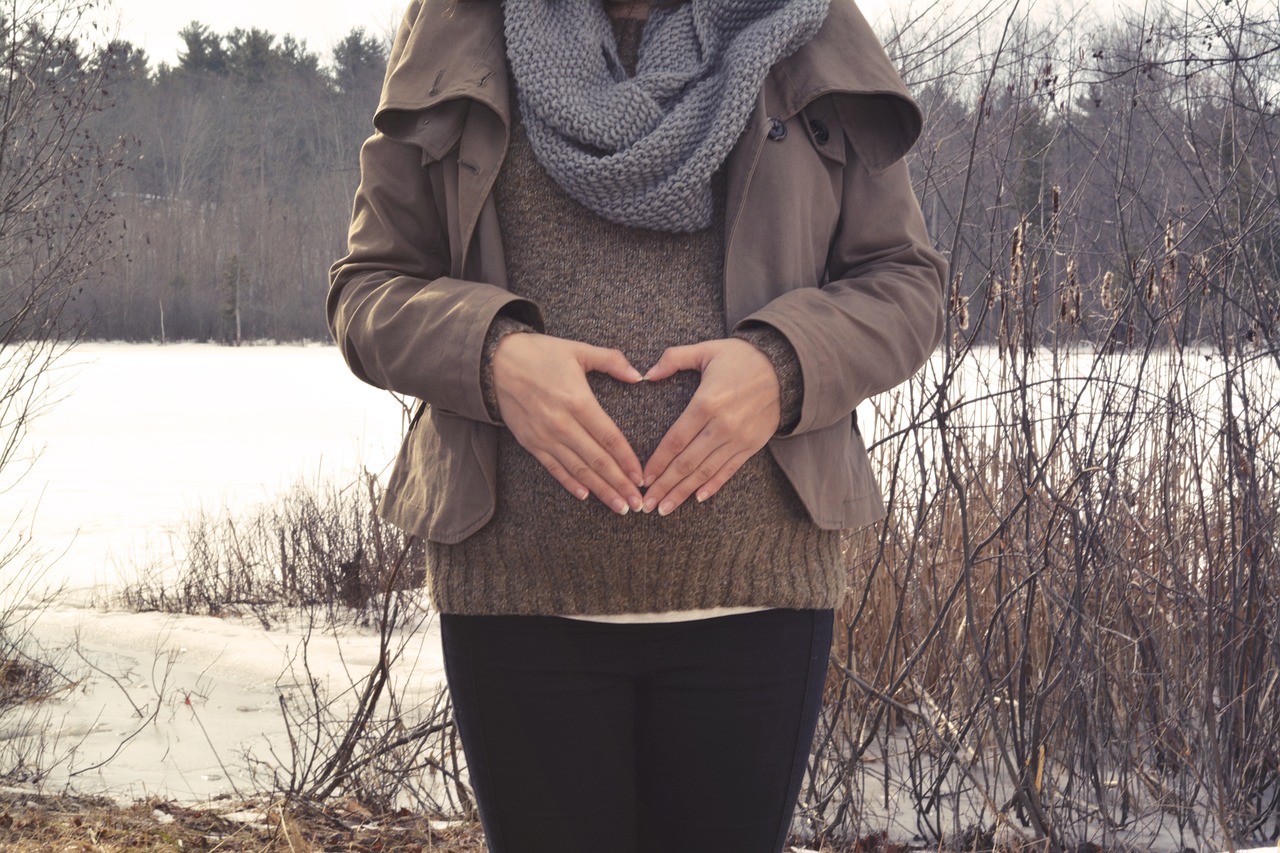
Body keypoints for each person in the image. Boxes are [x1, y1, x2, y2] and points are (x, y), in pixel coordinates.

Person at [327, 0, 945, 849]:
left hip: (758, 599)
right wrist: (493, 357)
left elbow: (904, 284)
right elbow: (369, 288)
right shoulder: (462, 20)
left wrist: (784, 366)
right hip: (518, 598)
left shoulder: (808, 21)